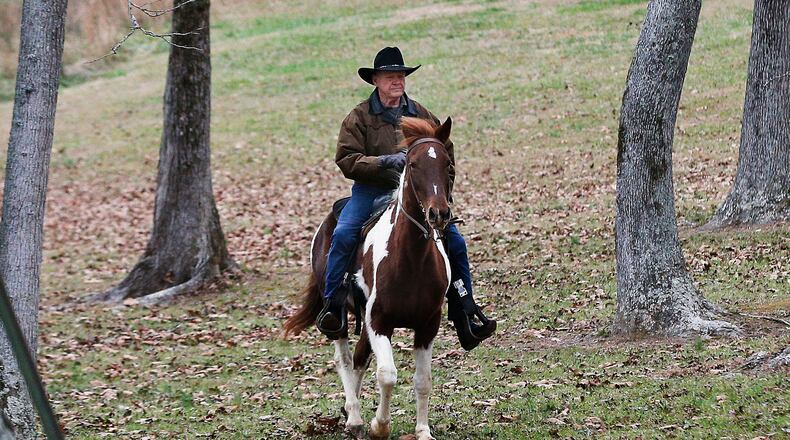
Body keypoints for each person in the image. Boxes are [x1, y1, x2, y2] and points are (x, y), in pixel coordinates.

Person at [317, 46, 496, 350]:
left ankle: (465, 309)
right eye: (390, 76)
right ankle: (333, 304)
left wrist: (438, 193)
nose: (397, 80)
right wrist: (385, 162)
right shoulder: (359, 117)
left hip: (417, 196)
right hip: (371, 189)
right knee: (345, 232)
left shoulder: (422, 114)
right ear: (375, 80)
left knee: (455, 241)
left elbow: (443, 155)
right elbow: (346, 159)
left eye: (400, 75)